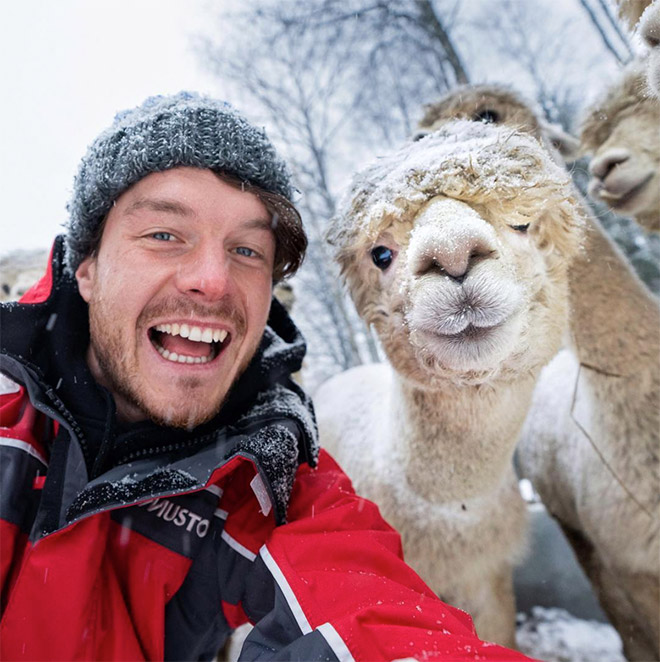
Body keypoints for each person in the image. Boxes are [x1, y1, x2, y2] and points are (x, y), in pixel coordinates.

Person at [0, 92, 531, 661]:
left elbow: (374, 626)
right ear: (87, 269)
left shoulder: (274, 483)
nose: (214, 280)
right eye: (164, 235)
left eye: (248, 250)